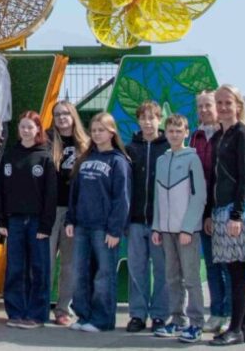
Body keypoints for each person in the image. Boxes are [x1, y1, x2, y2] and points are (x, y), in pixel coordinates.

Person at [65, 111, 131, 334]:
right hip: (82, 225)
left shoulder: (118, 161)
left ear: (112, 132)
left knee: (104, 275)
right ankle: (84, 316)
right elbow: (75, 192)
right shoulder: (86, 158)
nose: (96, 134)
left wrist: (115, 229)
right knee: (80, 273)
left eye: (101, 130)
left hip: (104, 229)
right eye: (93, 130)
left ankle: (102, 320)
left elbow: (121, 198)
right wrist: (70, 219)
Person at [207, 85, 245, 347]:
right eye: (220, 103)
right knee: (231, 269)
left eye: (228, 102)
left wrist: (236, 215)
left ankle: (236, 328)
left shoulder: (242, 135)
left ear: (238, 105)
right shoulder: (220, 136)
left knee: (237, 273)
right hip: (220, 209)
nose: (224, 107)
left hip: (234, 211)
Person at [0, 110, 56, 329]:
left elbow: (51, 195)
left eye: (31, 127)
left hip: (37, 223)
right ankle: (16, 312)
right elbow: (0, 189)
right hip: (14, 222)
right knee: (15, 268)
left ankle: (37, 315)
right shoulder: (10, 155)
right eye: (23, 127)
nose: (26, 131)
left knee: (38, 268)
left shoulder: (45, 156)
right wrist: (1, 221)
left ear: (38, 129)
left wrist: (46, 225)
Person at [151, 113, 206, 343]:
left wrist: (188, 227)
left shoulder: (193, 159)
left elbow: (198, 195)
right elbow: (157, 197)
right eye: (170, 131)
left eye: (178, 131)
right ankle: (176, 318)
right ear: (165, 133)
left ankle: (196, 322)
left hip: (186, 231)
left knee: (191, 277)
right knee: (172, 277)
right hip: (166, 229)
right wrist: (156, 226)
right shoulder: (162, 160)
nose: (174, 135)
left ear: (186, 132)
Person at [126, 100, 170, 334]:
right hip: (135, 219)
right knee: (137, 269)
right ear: (138, 121)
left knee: (161, 270)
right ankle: (137, 314)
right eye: (143, 118)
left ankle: (161, 315)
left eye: (152, 118)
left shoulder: (167, 148)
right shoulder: (130, 149)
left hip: (159, 222)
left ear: (159, 119)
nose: (147, 122)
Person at [191, 89, 230, 335]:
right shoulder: (195, 137)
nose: (205, 110)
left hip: (223, 209)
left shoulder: (226, 135)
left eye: (209, 105)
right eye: (201, 106)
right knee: (213, 265)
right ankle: (216, 312)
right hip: (203, 208)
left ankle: (230, 314)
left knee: (228, 265)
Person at [47, 99, 89, 326]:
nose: (62, 118)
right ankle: (40, 305)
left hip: (74, 212)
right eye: (57, 114)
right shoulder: (46, 140)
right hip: (50, 210)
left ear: (73, 116)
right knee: (46, 262)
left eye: (66, 113)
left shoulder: (85, 144)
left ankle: (63, 308)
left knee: (69, 264)